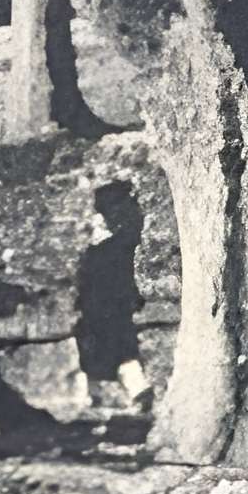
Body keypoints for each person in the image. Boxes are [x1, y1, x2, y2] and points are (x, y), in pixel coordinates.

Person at [71, 179, 150, 418]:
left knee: (120, 347)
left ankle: (132, 391)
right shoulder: (101, 252)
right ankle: (116, 393)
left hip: (119, 310)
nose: (109, 217)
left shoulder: (116, 248)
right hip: (107, 311)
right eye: (106, 211)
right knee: (107, 345)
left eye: (114, 209)